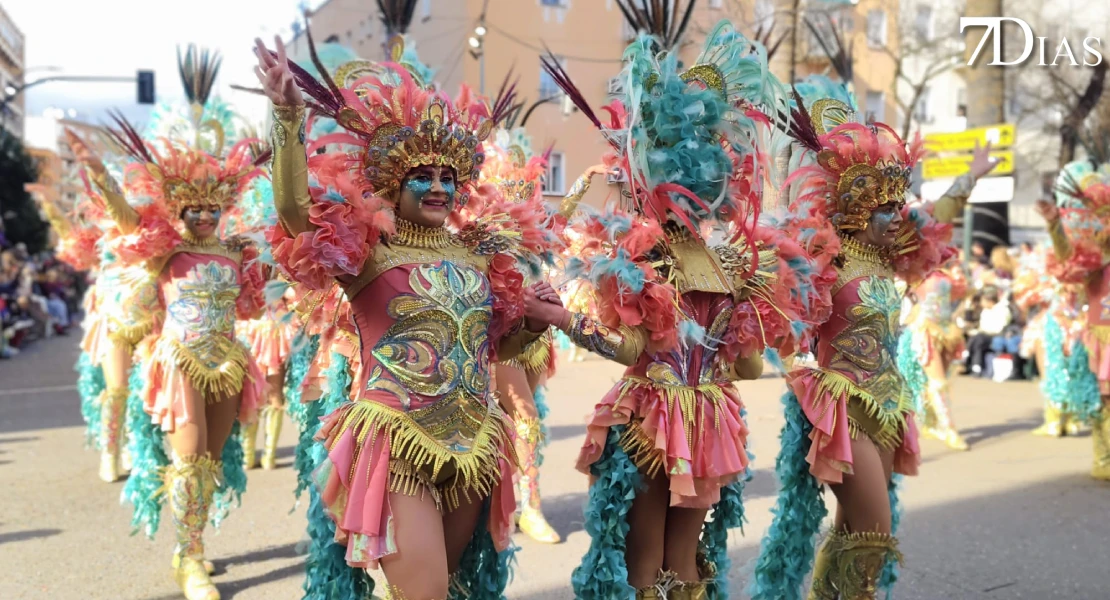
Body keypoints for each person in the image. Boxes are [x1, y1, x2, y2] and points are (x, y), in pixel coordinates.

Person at [255, 35, 564, 598]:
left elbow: (495, 348)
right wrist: (286, 118)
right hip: (398, 442)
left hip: (473, 446)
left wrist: (535, 322)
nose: (440, 186)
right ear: (393, 183)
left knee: (445, 588)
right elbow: (296, 213)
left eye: (450, 176)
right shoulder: (366, 251)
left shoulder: (477, 255)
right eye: (424, 176)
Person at [544, 23, 823, 599]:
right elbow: (746, 368)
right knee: (682, 562)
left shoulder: (645, 256)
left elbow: (629, 350)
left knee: (645, 561)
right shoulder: (731, 264)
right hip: (711, 418)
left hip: (656, 413)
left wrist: (564, 321)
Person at [749, 77, 997, 599]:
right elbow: (781, 322)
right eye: (885, 209)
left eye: (896, 206)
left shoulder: (886, 254)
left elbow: (934, 218)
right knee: (873, 536)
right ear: (858, 209)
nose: (895, 217)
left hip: (888, 407)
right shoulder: (824, 258)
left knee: (852, 533)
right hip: (843, 411)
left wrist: (970, 176)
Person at [72, 74, 268, 599]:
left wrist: (264, 269)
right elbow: (124, 216)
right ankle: (190, 558)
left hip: (228, 362)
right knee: (188, 457)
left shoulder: (234, 252)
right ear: (179, 211)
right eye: (194, 209)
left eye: (212, 208)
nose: (204, 216)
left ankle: (195, 543)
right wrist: (99, 174)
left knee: (211, 461)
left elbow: (250, 307)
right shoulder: (165, 250)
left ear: (222, 209)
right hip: (180, 361)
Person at [1036, 158, 1110, 480]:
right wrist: (1055, 226)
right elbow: (1067, 259)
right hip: (1105, 331)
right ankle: (1103, 459)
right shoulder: (1094, 254)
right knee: (1106, 397)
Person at [900, 260, 971, 450]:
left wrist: (959, 273)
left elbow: (961, 293)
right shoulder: (916, 268)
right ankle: (949, 430)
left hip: (947, 330)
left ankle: (931, 424)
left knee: (937, 382)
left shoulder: (949, 269)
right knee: (938, 382)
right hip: (925, 330)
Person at [966, 287, 1012, 377]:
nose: (981, 303)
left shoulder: (1002, 310)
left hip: (997, 336)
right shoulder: (985, 311)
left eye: (982, 301)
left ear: (989, 301)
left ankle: (969, 360)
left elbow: (999, 328)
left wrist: (982, 332)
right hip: (983, 335)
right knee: (976, 338)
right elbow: (982, 326)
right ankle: (975, 366)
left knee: (978, 339)